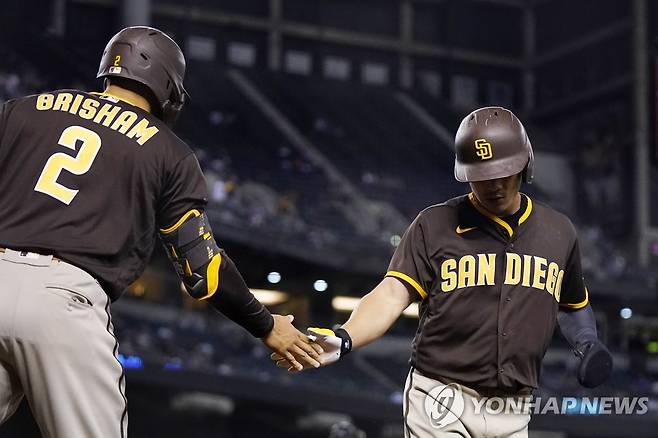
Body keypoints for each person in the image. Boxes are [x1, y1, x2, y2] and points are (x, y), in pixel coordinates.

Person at [0, 26, 320, 438]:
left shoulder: (24, 108)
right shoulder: (168, 151)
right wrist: (266, 324)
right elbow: (203, 270)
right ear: (168, 88)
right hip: (64, 300)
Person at [273, 107, 613, 437]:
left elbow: (572, 304)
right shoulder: (434, 225)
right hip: (441, 395)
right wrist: (346, 337)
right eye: (481, 176)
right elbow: (392, 293)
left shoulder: (559, 232)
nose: (493, 184)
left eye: (502, 173)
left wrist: (587, 342)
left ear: (526, 164)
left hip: (514, 406)